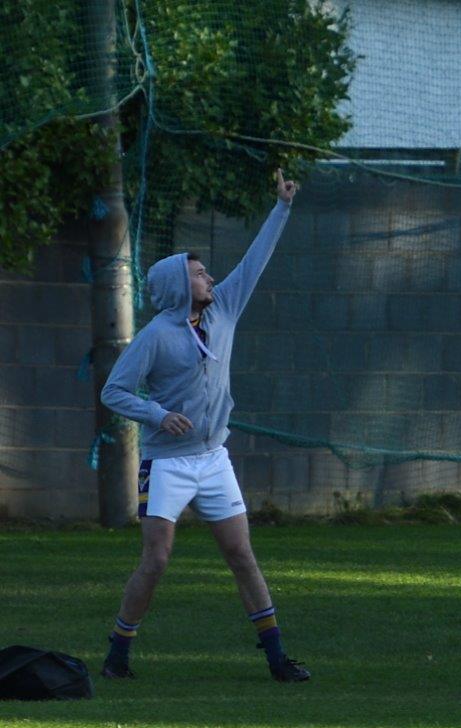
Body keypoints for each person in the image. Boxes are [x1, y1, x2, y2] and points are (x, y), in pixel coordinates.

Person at [99, 169, 309, 682]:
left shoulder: (225, 310)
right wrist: (157, 414)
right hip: (167, 463)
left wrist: (282, 206)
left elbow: (253, 261)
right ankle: (118, 654)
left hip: (214, 458)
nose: (209, 278)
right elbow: (114, 390)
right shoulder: (155, 336)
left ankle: (278, 658)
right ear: (178, 284)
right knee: (157, 560)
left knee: (241, 553)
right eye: (199, 274)